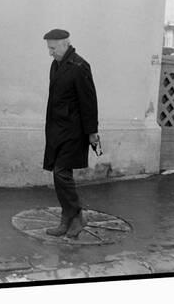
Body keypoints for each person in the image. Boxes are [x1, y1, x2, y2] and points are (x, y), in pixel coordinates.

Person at [42, 29, 99, 238]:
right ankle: (67, 220)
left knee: (61, 173)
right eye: (49, 48)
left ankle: (77, 215)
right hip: (57, 130)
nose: (50, 52)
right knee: (59, 176)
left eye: (53, 48)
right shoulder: (56, 65)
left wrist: (92, 132)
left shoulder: (80, 66)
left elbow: (89, 101)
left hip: (74, 131)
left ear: (65, 44)